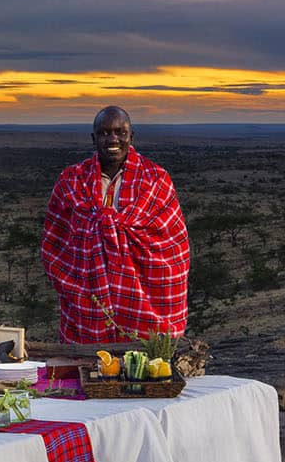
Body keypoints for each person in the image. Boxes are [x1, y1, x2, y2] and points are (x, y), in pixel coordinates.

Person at [40, 106, 190, 344]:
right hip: (86, 302)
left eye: (120, 132)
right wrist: (72, 285)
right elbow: (54, 241)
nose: (113, 139)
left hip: (142, 302)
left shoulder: (155, 179)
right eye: (104, 133)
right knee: (88, 369)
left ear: (132, 137)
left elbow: (174, 247)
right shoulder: (71, 180)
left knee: (148, 368)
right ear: (93, 138)